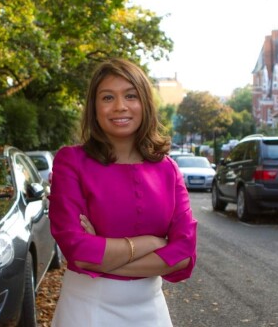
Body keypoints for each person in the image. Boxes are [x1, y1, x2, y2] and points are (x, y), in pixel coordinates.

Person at [49, 58, 197, 327]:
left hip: (150, 312)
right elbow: (79, 251)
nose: (120, 106)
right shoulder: (71, 161)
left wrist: (101, 259)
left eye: (131, 95)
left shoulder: (168, 170)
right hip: (87, 309)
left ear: (145, 104)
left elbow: (183, 254)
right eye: (107, 97)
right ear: (94, 108)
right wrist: (152, 244)